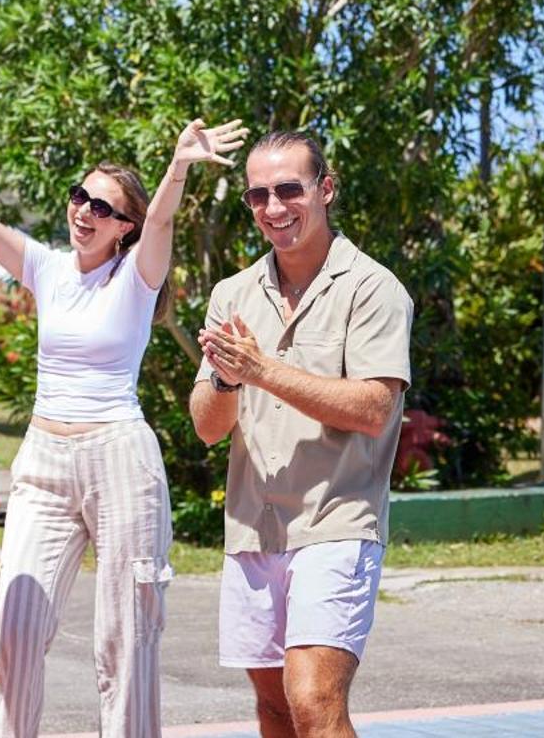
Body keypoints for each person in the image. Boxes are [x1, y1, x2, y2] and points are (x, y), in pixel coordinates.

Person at [0, 76, 244, 738]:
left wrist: (179, 165)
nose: (85, 210)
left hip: (119, 456)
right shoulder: (44, 265)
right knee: (18, 627)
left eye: (102, 207)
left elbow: (162, 216)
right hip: (44, 459)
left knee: (126, 637)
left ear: (124, 227)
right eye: (80, 196)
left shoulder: (136, 276)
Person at [190, 130, 413, 738]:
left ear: (326, 189)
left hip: (337, 522)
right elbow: (208, 429)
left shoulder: (373, 288)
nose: (275, 207)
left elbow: (372, 408)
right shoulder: (231, 294)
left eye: (290, 189)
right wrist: (231, 382)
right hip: (252, 527)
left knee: (313, 698)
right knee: (275, 710)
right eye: (258, 196)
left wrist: (262, 370)